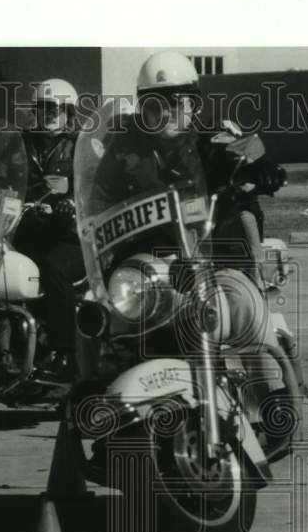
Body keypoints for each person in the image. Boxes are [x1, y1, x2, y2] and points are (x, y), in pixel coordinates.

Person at [89, 50, 287, 349]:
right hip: (149, 264)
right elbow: (100, 197)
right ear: (143, 107)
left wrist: (259, 168)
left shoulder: (210, 136)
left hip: (209, 258)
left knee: (246, 317)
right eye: (157, 105)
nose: (169, 113)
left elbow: (240, 154)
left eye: (180, 102)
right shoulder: (124, 144)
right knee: (99, 320)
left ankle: (274, 387)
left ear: (193, 104)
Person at [13, 78, 86, 384]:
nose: (48, 115)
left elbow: (96, 182)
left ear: (68, 111)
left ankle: (65, 355)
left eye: (54, 109)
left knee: (55, 268)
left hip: (71, 236)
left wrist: (72, 200)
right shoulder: (20, 143)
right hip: (29, 230)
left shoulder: (82, 144)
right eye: (43, 108)